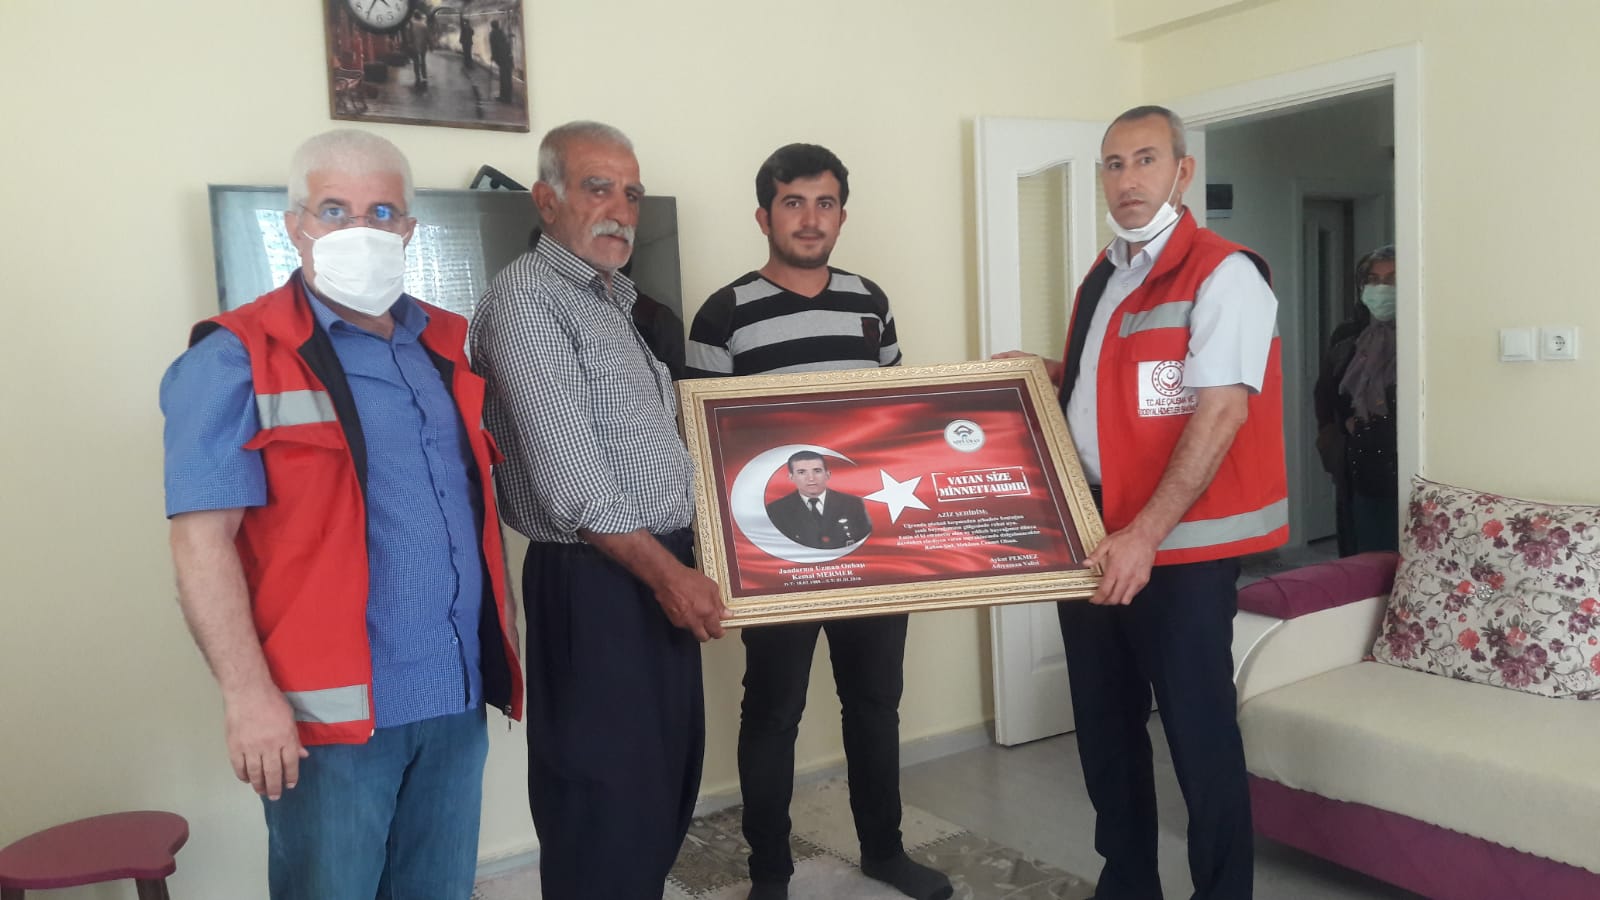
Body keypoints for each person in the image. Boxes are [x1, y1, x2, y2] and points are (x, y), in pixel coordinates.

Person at [160, 129, 523, 900]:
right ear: (295, 226)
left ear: (408, 229)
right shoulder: (235, 356)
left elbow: (469, 510)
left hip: (452, 701)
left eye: (381, 211)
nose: (361, 229)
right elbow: (200, 544)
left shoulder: (445, 344)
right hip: (326, 720)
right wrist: (247, 696)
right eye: (334, 210)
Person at [1001, 105, 1286, 900]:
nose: (1128, 179)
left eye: (1147, 159)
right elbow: (1119, 390)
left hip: (1180, 545)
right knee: (1105, 727)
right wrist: (1048, 371)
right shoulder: (1106, 273)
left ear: (1182, 171)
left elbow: (1220, 411)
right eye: (1114, 163)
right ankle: (1126, 883)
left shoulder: (1226, 273)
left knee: (1198, 735)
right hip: (1090, 526)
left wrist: (1144, 536)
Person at [469, 120, 727, 900]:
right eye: (598, 188)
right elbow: (571, 480)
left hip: (652, 570)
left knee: (657, 791)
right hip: (599, 581)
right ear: (546, 200)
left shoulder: (612, 302)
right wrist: (670, 577)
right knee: (603, 805)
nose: (621, 209)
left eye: (632, 193)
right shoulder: (527, 301)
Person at [687, 143, 951, 900]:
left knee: (874, 703)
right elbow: (698, 443)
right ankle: (769, 871)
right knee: (774, 711)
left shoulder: (871, 301)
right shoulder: (725, 313)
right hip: (774, 555)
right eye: (794, 203)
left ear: (841, 214)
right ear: (764, 215)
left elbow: (893, 417)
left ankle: (885, 851)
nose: (810, 219)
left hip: (872, 545)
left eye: (825, 203)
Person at [1315, 245, 1399, 554]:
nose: (1381, 288)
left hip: (1406, 463)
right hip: (1358, 463)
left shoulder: (1423, 334)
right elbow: (1326, 395)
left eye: (1392, 279)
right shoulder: (1348, 336)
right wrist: (1334, 435)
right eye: (1373, 280)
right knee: (1361, 554)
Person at [765, 450, 873, 549]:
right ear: (791, 477)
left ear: (827, 475)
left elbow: (865, 544)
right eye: (802, 472)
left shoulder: (853, 504)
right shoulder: (776, 510)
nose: (811, 478)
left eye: (817, 471)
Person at [489, 20, 514, 103]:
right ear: (498, 25)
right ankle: (508, 97)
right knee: (508, 78)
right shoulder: (502, 33)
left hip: (502, 59)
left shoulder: (492, 34)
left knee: (503, 78)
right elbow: (507, 44)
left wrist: (493, 56)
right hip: (508, 58)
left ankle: (504, 97)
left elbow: (494, 47)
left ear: (492, 26)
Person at [405, 9, 429, 85]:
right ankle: (424, 76)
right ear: (420, 16)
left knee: (416, 62)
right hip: (423, 46)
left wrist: (409, 43)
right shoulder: (424, 24)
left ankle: (417, 77)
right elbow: (427, 36)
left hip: (414, 46)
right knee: (423, 61)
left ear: (414, 16)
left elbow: (408, 35)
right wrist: (431, 44)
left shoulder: (411, 25)